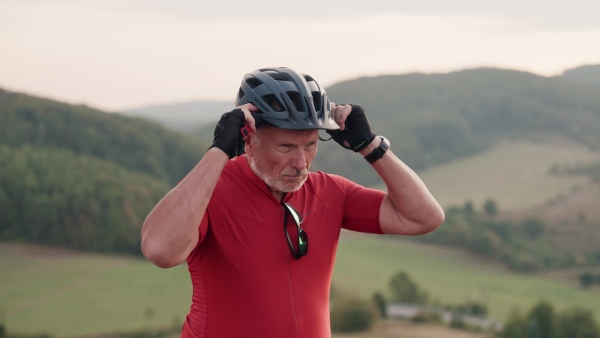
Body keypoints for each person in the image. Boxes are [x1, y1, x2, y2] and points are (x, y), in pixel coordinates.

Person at [141, 67, 445, 338]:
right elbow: (160, 250)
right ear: (249, 139)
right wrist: (220, 149)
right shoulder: (209, 192)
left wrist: (371, 146)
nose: (301, 163)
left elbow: (423, 217)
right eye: (285, 146)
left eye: (310, 144)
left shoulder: (330, 192)